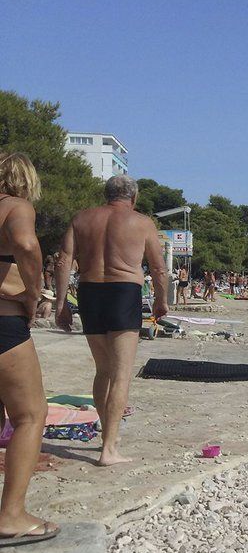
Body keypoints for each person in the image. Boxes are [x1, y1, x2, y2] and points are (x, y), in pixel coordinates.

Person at [55, 175, 168, 467]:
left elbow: (64, 259)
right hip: (123, 290)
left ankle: (107, 438)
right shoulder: (142, 222)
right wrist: (161, 301)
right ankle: (109, 448)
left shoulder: (81, 219)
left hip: (90, 292)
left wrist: (61, 304)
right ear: (134, 197)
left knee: (103, 370)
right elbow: (158, 267)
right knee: (120, 374)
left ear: (107, 194)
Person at [0, 153, 59, 546]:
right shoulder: (16, 207)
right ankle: (11, 515)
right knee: (30, 415)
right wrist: (34, 291)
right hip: (4, 321)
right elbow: (25, 242)